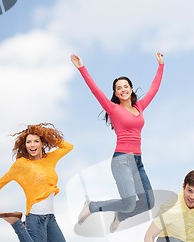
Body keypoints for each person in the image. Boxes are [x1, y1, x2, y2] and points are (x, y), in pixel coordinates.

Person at [70, 52, 164, 232]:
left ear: (131, 88)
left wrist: (161, 66)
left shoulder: (140, 107)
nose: (123, 90)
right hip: (122, 161)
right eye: (118, 88)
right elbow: (95, 90)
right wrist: (82, 68)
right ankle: (92, 206)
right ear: (115, 92)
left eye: (125, 86)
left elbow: (154, 88)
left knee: (148, 202)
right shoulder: (113, 108)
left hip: (138, 162)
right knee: (129, 203)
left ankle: (120, 216)